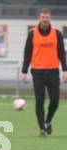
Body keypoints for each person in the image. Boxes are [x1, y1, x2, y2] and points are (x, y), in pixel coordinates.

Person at [21, 7, 67, 137]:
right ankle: (42, 129)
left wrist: (65, 70)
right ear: (39, 18)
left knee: (55, 100)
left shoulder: (57, 33)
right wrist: (24, 71)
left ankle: (48, 120)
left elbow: (62, 54)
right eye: (43, 17)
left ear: (50, 18)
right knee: (39, 100)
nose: (45, 19)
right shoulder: (32, 33)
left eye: (47, 17)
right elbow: (27, 53)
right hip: (37, 72)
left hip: (53, 71)